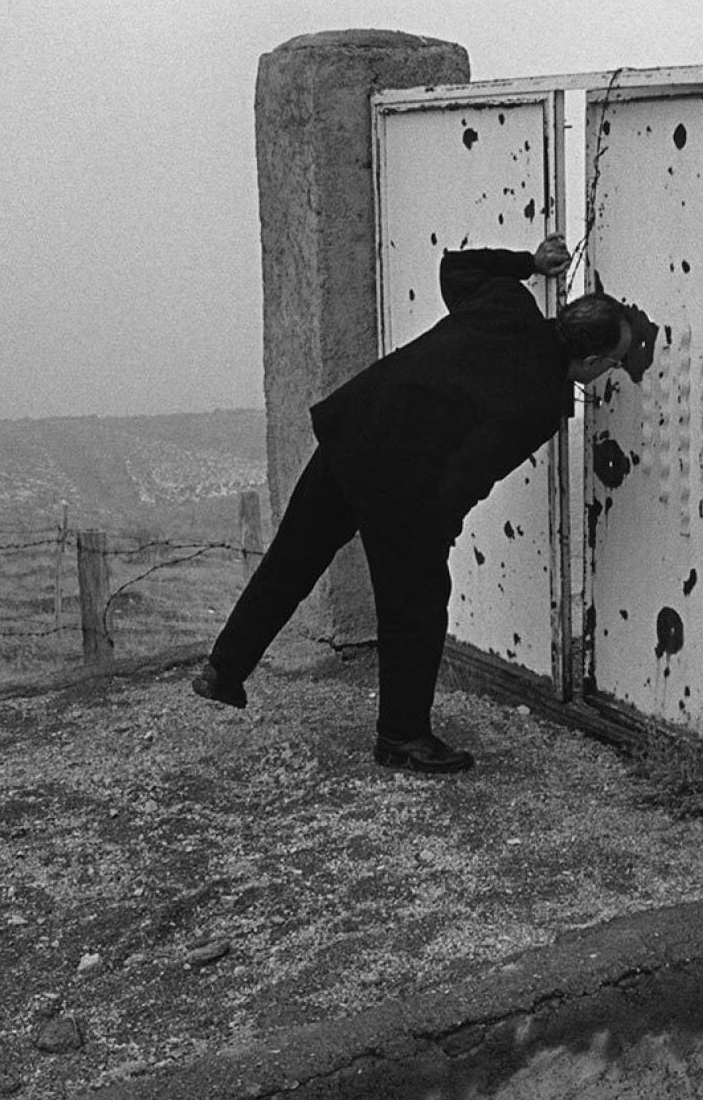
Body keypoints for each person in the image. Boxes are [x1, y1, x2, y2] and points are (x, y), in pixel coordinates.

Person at [192, 235, 656, 774]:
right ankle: (401, 738)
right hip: (400, 479)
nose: (615, 371)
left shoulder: (507, 302)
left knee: (291, 560)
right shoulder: (537, 400)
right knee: (416, 607)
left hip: (355, 428)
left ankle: (224, 670)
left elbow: (456, 267)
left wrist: (527, 263)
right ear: (593, 360)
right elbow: (466, 475)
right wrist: (434, 533)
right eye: (616, 363)